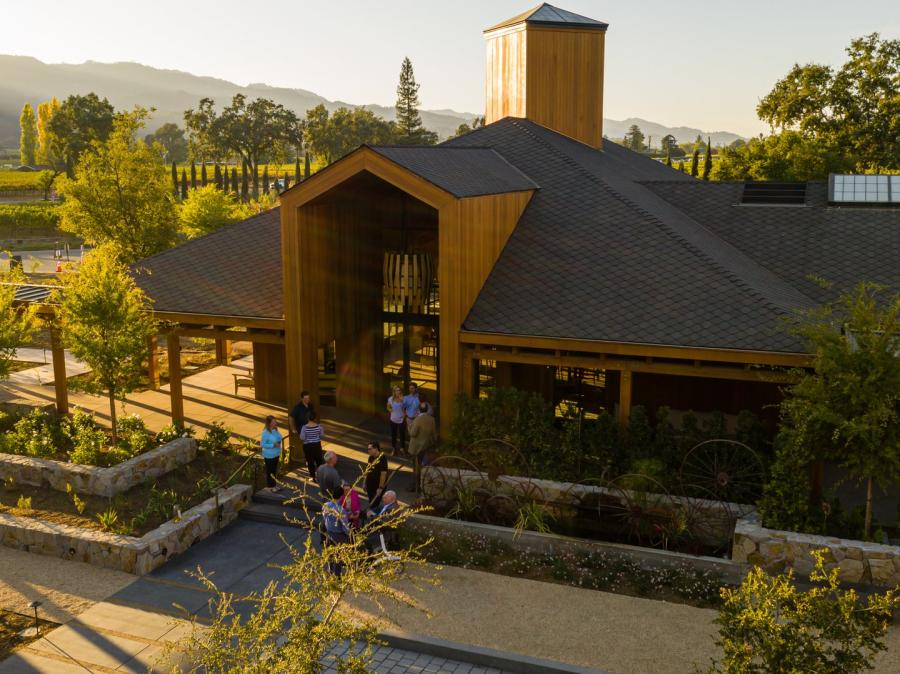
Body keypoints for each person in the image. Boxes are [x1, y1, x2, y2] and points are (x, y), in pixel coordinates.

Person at [407, 402, 436, 492]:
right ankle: (422, 485)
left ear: (418, 410)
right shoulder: (431, 419)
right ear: (427, 409)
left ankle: (415, 487)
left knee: (416, 467)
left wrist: (409, 426)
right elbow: (433, 434)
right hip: (426, 446)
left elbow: (413, 433)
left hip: (416, 447)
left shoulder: (417, 420)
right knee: (424, 465)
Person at [322, 488, 351, 576]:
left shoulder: (325, 505)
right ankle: (337, 575)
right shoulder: (341, 510)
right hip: (339, 536)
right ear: (341, 496)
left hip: (329, 533)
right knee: (338, 556)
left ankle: (330, 571)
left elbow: (324, 518)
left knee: (330, 554)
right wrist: (349, 534)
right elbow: (345, 526)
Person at [288, 390, 315, 463]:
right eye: (305, 399)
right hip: (302, 430)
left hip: (310, 428)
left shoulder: (311, 405)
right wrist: (293, 428)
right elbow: (291, 417)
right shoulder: (298, 407)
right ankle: (307, 459)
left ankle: (310, 459)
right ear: (302, 399)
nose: (307, 400)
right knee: (306, 445)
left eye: (308, 398)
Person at [259, 415, 283, 492]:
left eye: (275, 421)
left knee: (274, 470)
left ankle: (274, 485)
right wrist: (273, 445)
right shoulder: (265, 433)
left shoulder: (276, 430)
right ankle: (270, 487)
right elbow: (262, 444)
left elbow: (279, 439)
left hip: (276, 454)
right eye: (273, 421)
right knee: (270, 471)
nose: (275, 422)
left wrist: (278, 444)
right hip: (269, 455)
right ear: (269, 423)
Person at [299, 411, 325, 478]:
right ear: (315, 418)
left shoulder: (304, 427)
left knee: (310, 461)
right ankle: (320, 475)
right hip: (317, 445)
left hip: (308, 446)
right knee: (319, 460)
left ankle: (312, 476)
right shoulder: (319, 427)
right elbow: (321, 435)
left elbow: (302, 438)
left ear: (307, 418)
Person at [364, 441, 389, 511]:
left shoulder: (382, 459)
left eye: (370, 449)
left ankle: (374, 518)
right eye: (368, 449)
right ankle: (373, 516)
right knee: (371, 502)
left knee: (374, 504)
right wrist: (364, 482)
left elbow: (383, 474)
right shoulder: (371, 457)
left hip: (377, 486)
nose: (368, 451)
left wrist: (380, 488)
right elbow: (367, 470)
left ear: (376, 449)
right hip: (370, 485)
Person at [386, 386, 406, 454]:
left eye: (399, 390)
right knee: (393, 435)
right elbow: (388, 407)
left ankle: (402, 448)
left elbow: (406, 408)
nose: (398, 392)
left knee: (402, 435)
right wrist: (391, 410)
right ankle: (394, 449)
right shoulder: (390, 399)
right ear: (394, 392)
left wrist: (404, 416)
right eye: (397, 390)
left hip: (401, 420)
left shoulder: (403, 399)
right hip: (393, 419)